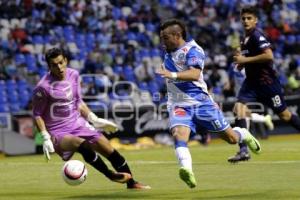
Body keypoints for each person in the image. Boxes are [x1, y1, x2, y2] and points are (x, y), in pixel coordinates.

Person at [156, 19, 261, 189]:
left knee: (231, 139)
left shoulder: (194, 50)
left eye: (165, 37)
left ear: (177, 35)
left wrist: (172, 75)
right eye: (161, 37)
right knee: (178, 134)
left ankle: (243, 134)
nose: (162, 41)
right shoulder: (169, 50)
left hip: (201, 104)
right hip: (178, 105)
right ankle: (186, 170)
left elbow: (194, 74)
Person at [32, 47, 150, 189]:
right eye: (54, 65)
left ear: (66, 60)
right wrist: (45, 137)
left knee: (110, 150)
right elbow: (37, 114)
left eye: (61, 62)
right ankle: (110, 175)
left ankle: (131, 183)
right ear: (49, 66)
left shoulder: (74, 75)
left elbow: (78, 102)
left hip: (78, 123)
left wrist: (94, 118)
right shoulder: (43, 87)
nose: (59, 67)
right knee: (82, 144)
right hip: (58, 131)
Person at [229, 6, 300, 163]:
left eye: (249, 18)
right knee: (239, 109)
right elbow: (248, 58)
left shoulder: (256, 35)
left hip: (267, 84)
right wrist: (241, 64)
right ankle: (243, 151)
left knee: (285, 115)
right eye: (243, 18)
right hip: (251, 83)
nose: (246, 21)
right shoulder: (244, 38)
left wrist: (244, 60)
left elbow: (269, 56)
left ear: (256, 20)